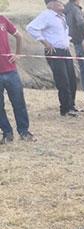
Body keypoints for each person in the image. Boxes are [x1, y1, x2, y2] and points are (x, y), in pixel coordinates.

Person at [27, 1, 79, 117]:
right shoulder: (46, 15)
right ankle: (65, 109)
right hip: (54, 51)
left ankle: (72, 106)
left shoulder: (62, 16)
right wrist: (45, 42)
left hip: (65, 50)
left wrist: (67, 42)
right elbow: (31, 28)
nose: (62, 3)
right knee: (63, 80)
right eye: (58, 2)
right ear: (51, 4)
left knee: (72, 79)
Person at [0, 15, 36, 144]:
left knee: (19, 103)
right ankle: (7, 133)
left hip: (10, 71)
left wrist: (18, 54)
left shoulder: (3, 19)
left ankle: (24, 132)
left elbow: (19, 36)